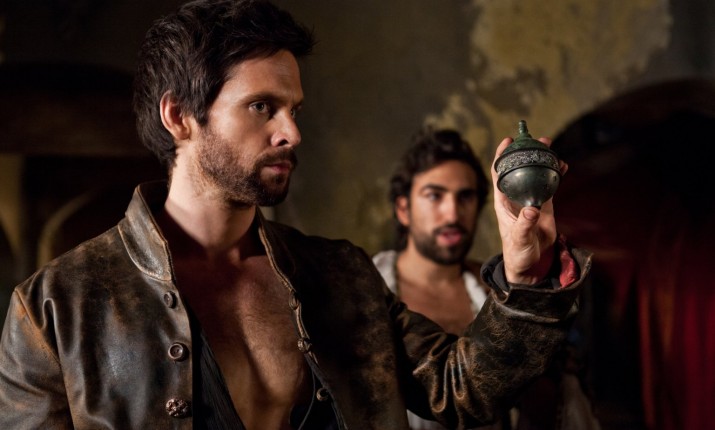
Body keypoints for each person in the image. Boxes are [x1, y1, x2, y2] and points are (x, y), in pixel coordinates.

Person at [0, 0, 592, 429]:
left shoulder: (341, 275)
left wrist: (525, 278)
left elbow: (460, 390)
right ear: (179, 117)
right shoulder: (56, 308)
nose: (291, 132)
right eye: (262, 106)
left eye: (294, 109)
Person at [373, 128, 600, 429]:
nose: (452, 214)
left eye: (465, 196)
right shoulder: (368, 294)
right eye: (434, 196)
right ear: (404, 209)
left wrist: (534, 282)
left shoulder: (500, 290)